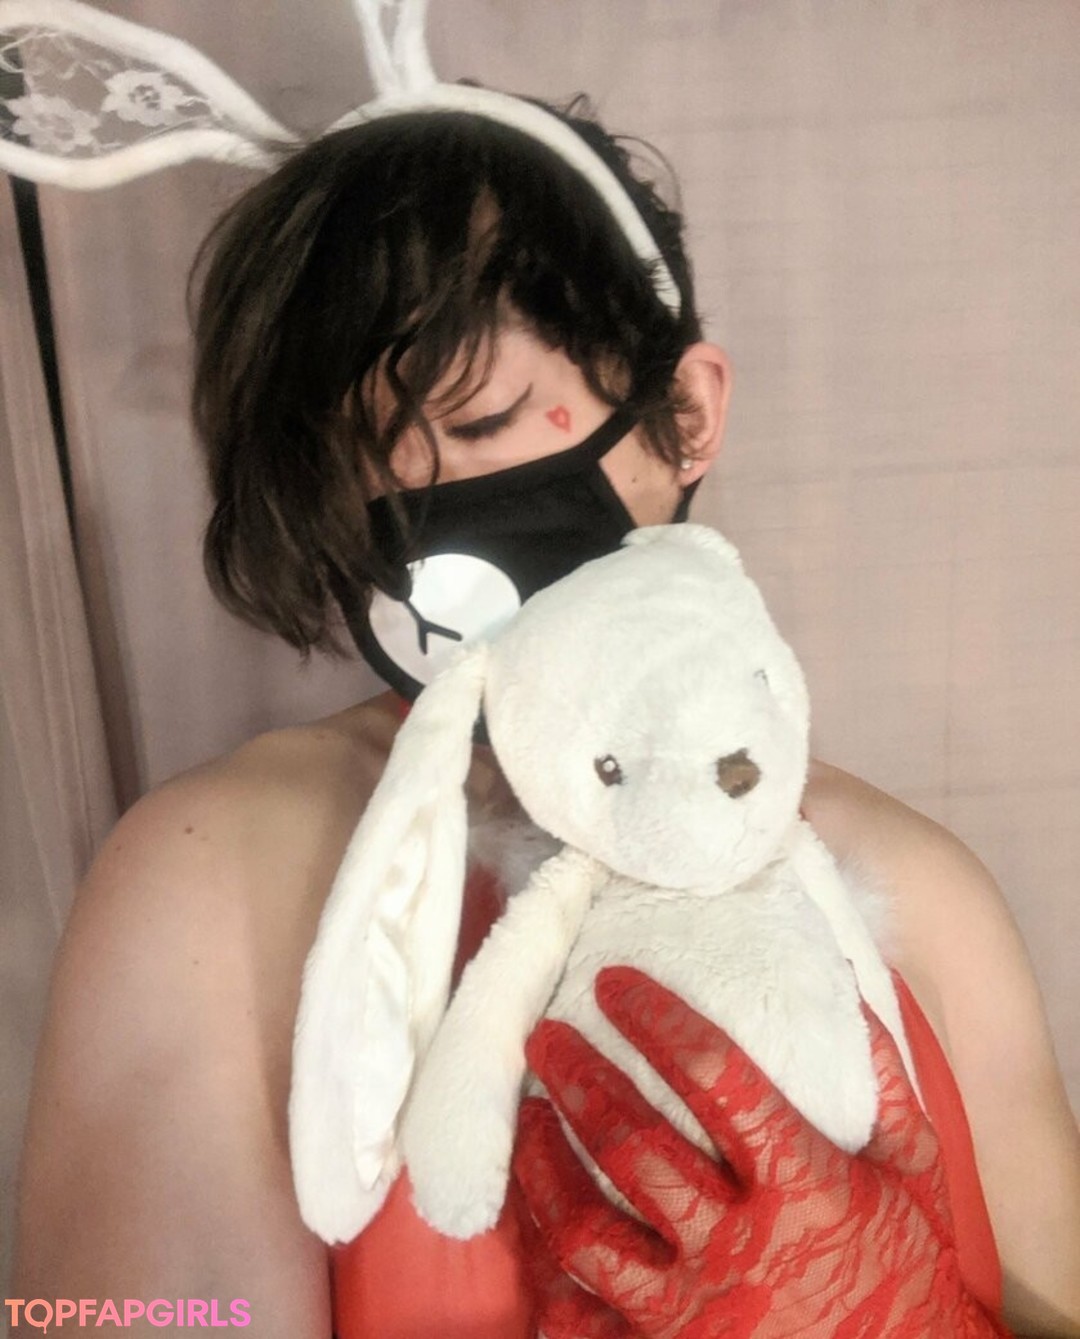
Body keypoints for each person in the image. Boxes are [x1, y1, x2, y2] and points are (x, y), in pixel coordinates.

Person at [10, 93, 1080, 1339]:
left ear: (685, 415)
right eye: (350, 465)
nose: (416, 504)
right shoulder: (209, 881)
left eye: (477, 423)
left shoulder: (921, 893)